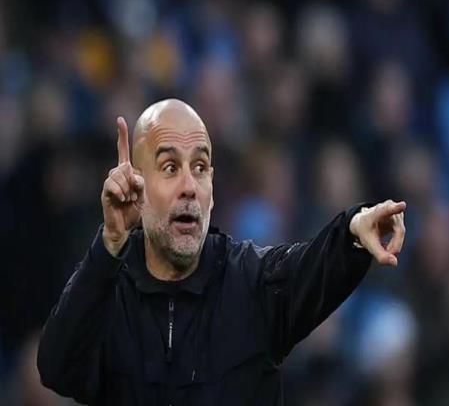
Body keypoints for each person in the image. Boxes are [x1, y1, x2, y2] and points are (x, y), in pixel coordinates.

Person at [37, 99, 406, 405]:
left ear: (212, 189)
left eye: (199, 168)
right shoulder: (106, 293)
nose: (189, 186)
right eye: (169, 167)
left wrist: (354, 229)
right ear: (138, 185)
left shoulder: (254, 282)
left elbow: (317, 263)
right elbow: (57, 370)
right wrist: (110, 243)